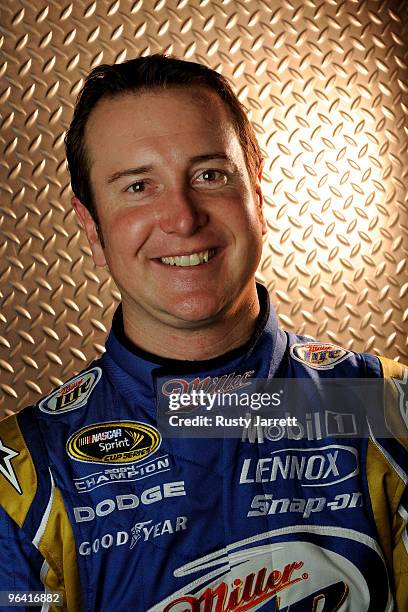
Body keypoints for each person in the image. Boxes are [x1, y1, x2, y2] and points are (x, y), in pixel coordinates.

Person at [0, 54, 406, 611]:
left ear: (257, 198)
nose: (183, 218)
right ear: (91, 227)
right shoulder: (22, 479)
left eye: (209, 175)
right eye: (139, 186)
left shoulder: (387, 409)